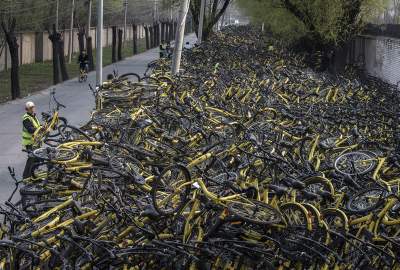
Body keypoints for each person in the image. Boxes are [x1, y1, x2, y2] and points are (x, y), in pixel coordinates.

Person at [22, 101, 41, 179]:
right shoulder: (26, 118)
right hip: (30, 142)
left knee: (38, 158)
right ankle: (26, 176)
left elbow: (37, 126)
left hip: (36, 142)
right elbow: (30, 129)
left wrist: (43, 127)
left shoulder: (34, 116)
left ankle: (33, 174)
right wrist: (39, 129)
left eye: (33, 107)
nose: (32, 109)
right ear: (27, 109)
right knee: (31, 158)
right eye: (30, 108)